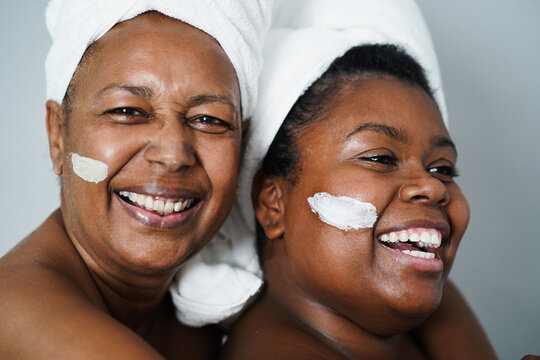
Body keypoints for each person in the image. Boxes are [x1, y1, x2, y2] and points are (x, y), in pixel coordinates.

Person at [219, 0, 496, 358]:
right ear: (273, 203)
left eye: (442, 168)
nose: (433, 186)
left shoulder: (424, 295)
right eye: (380, 158)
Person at [0, 0, 269, 358]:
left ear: (244, 146)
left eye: (210, 119)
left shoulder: (206, 306)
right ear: (58, 135)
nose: (173, 155)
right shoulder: (19, 313)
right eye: (127, 111)